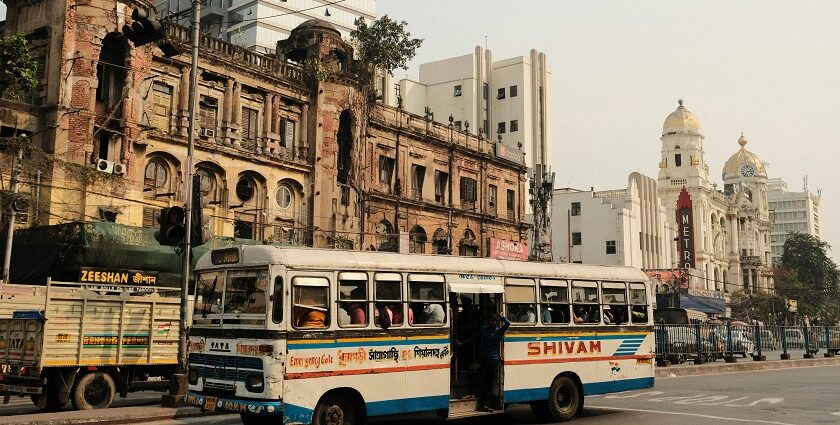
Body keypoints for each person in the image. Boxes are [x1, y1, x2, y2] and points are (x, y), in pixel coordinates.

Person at [474, 314, 510, 412]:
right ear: (488, 322)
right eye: (491, 321)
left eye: (494, 321)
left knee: (489, 383)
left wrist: (502, 317)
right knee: (473, 371)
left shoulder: (499, 331)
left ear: (496, 322)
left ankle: (485, 404)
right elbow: (474, 337)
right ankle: (476, 397)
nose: (492, 322)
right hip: (483, 359)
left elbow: (508, 324)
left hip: (493, 361)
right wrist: (462, 343)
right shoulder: (483, 329)